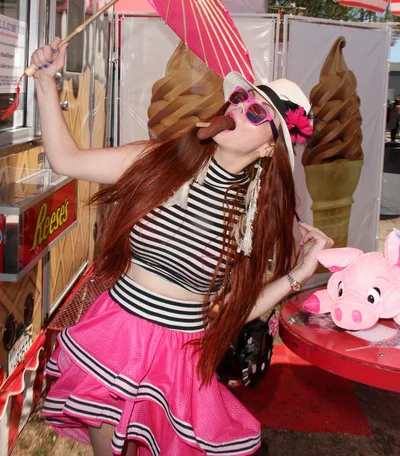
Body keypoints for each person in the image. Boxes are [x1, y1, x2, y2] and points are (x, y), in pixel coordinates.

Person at [32, 38, 333, 456]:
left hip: (181, 360)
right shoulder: (158, 161)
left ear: (269, 147)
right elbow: (66, 160)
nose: (237, 109)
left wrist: (298, 275)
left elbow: (234, 312)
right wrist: (47, 83)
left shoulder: (253, 220)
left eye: (256, 112)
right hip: (116, 337)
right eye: (241, 98)